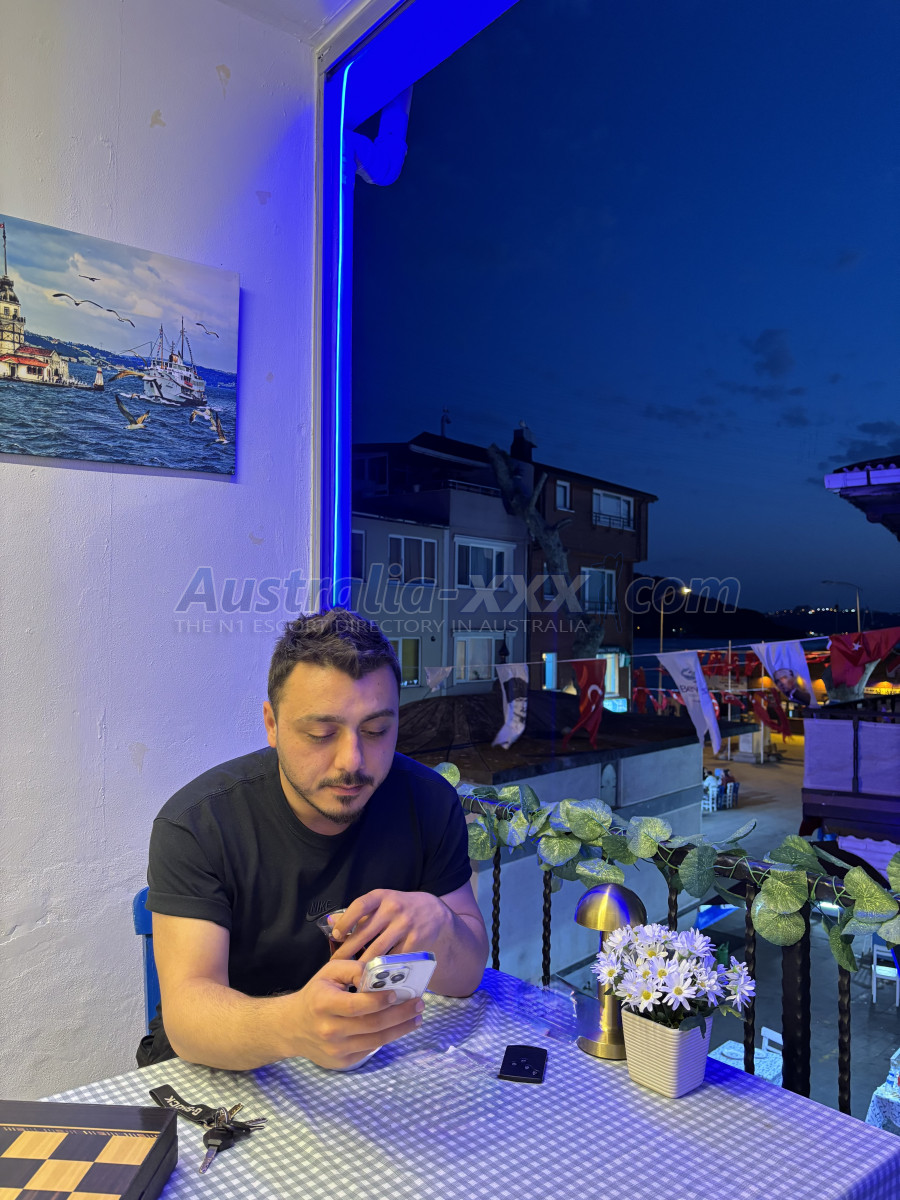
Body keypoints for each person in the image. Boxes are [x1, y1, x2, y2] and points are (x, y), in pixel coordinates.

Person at [138, 608, 488, 1071]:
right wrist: (294, 1026)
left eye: (376, 731)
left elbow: (467, 975)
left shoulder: (428, 802)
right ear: (272, 724)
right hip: (219, 1070)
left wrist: (441, 925)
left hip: (369, 1061)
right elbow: (188, 1016)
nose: (352, 761)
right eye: (321, 734)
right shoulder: (199, 824)